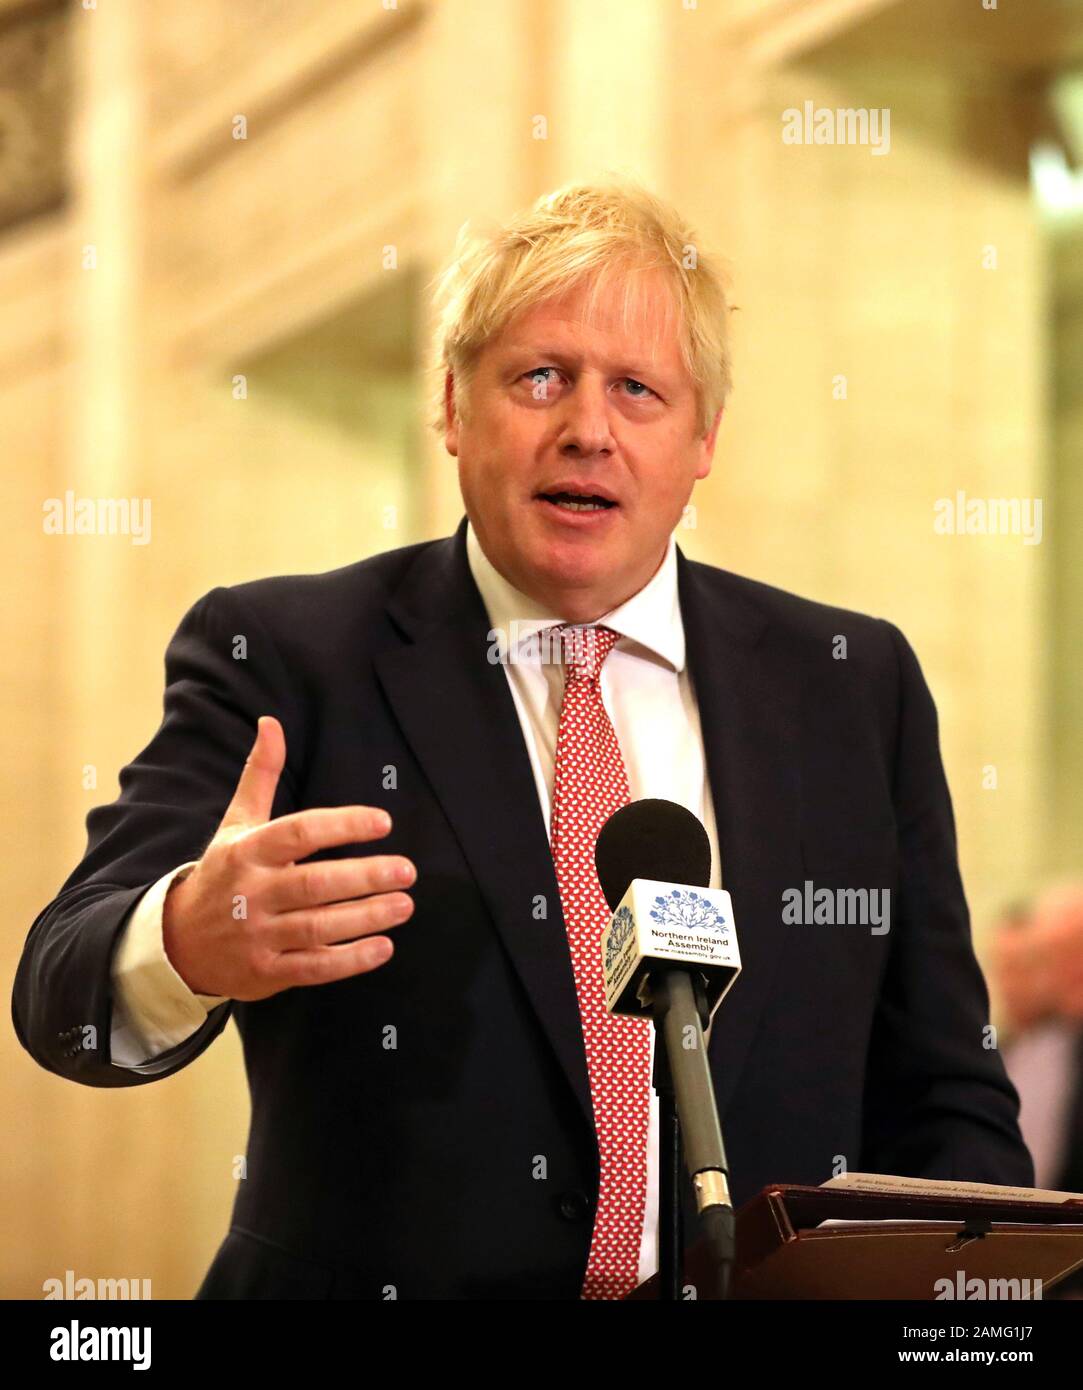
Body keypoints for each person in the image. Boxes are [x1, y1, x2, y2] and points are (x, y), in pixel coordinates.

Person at [12, 181, 1033, 1300]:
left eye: (638, 390)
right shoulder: (286, 654)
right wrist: (185, 944)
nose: (586, 428)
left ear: (704, 439)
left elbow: (948, 1095)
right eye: (540, 377)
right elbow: (60, 989)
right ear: (452, 407)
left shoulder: (852, 686)